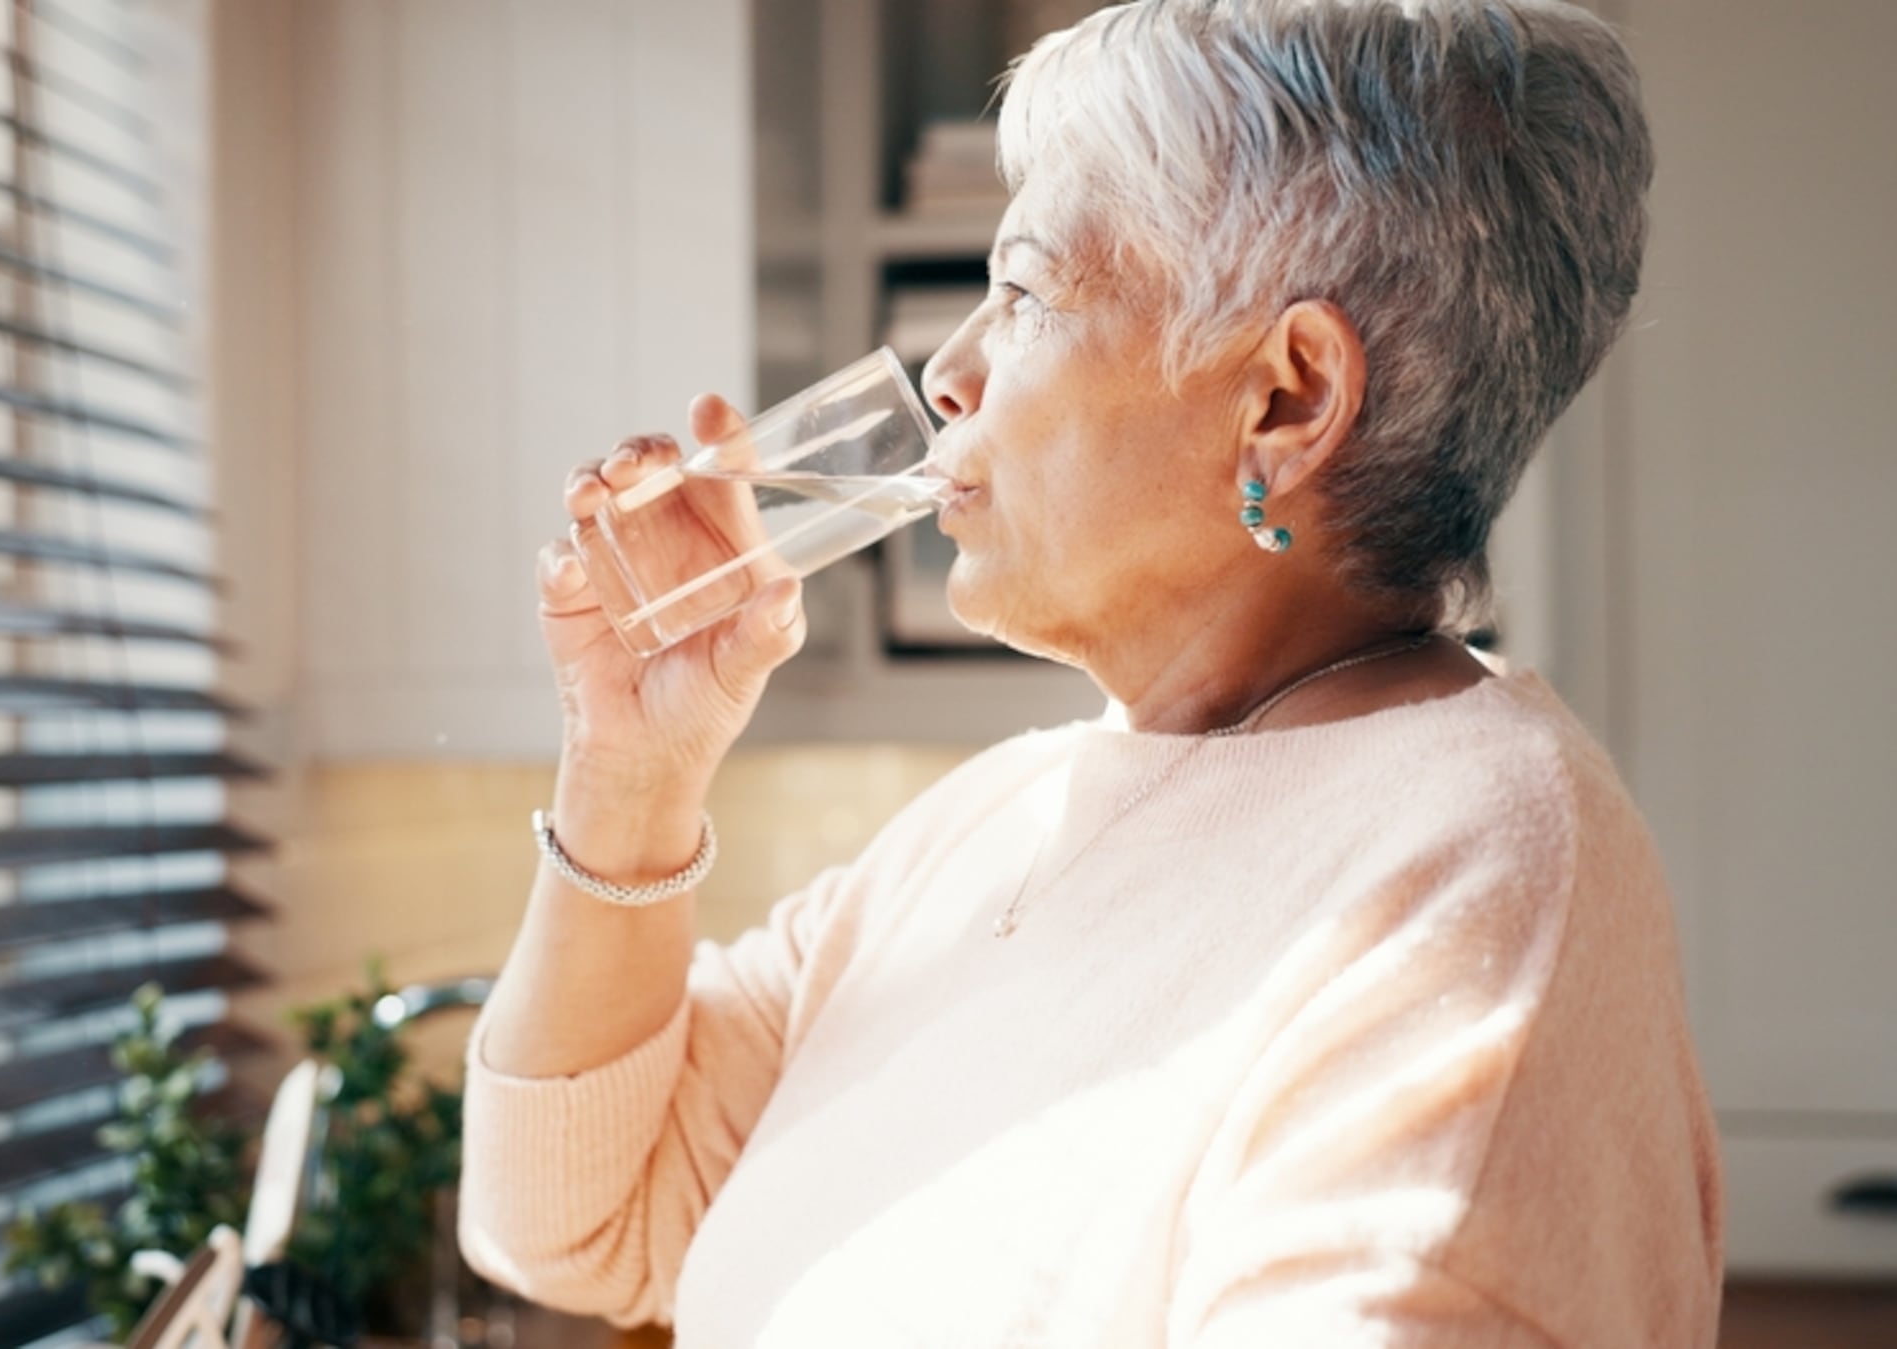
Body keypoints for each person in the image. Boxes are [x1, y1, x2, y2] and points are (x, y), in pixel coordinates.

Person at [460, 0, 1723, 1344]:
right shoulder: (983, 825)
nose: (949, 373)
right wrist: (631, 776)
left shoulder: (1476, 868)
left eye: (1022, 294)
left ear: (1288, 399)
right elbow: (578, 1222)